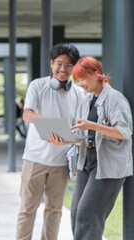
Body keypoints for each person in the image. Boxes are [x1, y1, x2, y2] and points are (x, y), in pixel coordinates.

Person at [49, 56, 133, 240]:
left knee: (88, 215)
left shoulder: (115, 98)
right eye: (77, 80)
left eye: (82, 78)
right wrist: (63, 140)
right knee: (76, 213)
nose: (80, 83)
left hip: (108, 167)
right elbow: (85, 135)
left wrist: (92, 125)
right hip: (87, 162)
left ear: (96, 74)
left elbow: (124, 132)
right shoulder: (87, 100)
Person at [16, 43, 84, 240]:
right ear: (51, 63)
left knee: (54, 211)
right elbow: (27, 114)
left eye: (69, 65)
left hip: (61, 162)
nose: (63, 69)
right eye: (59, 64)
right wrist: (48, 123)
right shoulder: (37, 85)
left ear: (74, 67)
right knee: (27, 209)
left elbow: (79, 126)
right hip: (34, 159)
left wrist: (67, 139)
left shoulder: (78, 94)